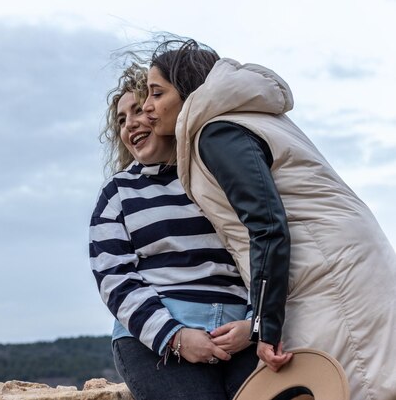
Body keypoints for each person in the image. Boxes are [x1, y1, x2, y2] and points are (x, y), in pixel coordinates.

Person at [140, 37, 396, 400]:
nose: (147, 107)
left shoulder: (216, 132)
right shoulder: (246, 118)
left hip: (329, 275)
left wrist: (265, 327)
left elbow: (268, 224)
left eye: (156, 93)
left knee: (360, 387)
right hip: (339, 265)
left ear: (187, 92)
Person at [88, 63, 258, 400]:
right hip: (157, 341)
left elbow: (259, 249)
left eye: (139, 110)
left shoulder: (215, 174)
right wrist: (175, 336)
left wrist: (253, 326)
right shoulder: (117, 193)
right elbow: (114, 278)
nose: (130, 123)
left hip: (240, 336)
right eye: (121, 120)